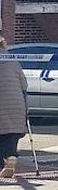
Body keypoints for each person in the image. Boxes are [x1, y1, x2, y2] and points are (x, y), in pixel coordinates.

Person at [0, 37, 28, 179]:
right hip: (16, 103)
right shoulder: (13, 60)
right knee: (11, 134)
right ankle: (11, 157)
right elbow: (24, 84)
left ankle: (4, 162)